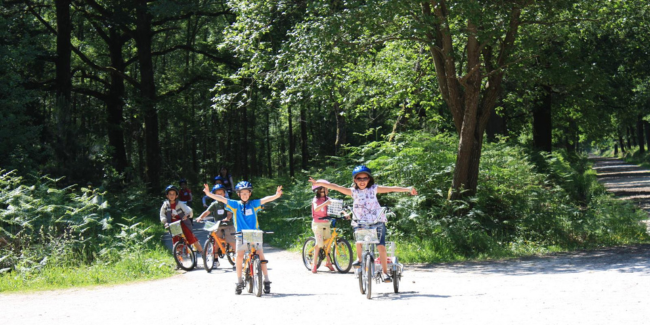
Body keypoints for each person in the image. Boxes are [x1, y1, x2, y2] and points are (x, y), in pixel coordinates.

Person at [308, 166, 417, 283]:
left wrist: (408, 189)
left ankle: (385, 273)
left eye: (365, 178)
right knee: (359, 241)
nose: (362, 181)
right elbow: (336, 187)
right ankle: (360, 260)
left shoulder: (374, 189)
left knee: (381, 247)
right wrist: (318, 183)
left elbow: (391, 188)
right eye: (359, 178)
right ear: (355, 180)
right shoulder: (353, 191)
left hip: (377, 220)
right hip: (360, 221)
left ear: (369, 179)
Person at [203, 180, 283, 295]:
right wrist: (209, 194)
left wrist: (276, 195)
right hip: (241, 234)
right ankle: (239, 281)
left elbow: (266, 199)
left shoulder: (254, 204)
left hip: (254, 233)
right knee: (239, 256)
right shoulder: (235, 205)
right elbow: (222, 199)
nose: (245, 195)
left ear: (250, 193)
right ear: (238, 194)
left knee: (261, 255)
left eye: (247, 193)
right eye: (242, 193)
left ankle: (266, 280)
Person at [196, 184, 236, 268]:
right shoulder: (214, 204)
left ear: (224, 194)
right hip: (218, 225)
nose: (219, 195)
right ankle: (215, 260)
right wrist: (200, 217)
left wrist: (227, 218)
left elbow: (229, 214)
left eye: (221, 193)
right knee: (216, 243)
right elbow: (207, 212)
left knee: (231, 241)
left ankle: (238, 258)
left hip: (228, 225)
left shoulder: (227, 202)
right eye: (217, 194)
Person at [160, 185, 202, 254]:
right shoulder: (165, 205)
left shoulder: (180, 203)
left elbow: (188, 210)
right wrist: (165, 222)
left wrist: (186, 215)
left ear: (176, 196)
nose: (172, 196)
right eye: (170, 194)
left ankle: (202, 252)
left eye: (173, 194)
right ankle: (179, 259)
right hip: (173, 224)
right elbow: (162, 215)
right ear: (167, 196)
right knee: (176, 240)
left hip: (183, 222)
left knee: (190, 236)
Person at [310, 180, 335, 273]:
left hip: (326, 223)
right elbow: (316, 208)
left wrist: (344, 213)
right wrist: (325, 203)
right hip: (318, 224)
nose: (327, 190)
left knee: (328, 245)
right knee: (319, 244)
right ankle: (314, 263)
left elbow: (335, 207)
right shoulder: (316, 200)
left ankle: (328, 262)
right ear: (320, 190)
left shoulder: (328, 198)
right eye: (325, 188)